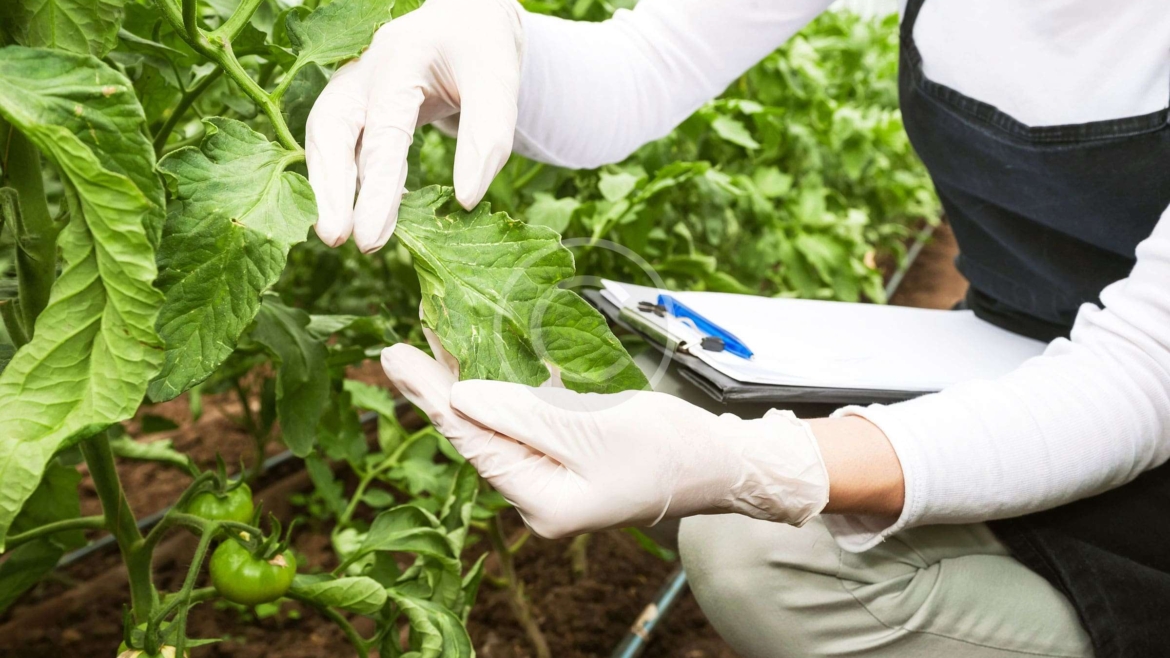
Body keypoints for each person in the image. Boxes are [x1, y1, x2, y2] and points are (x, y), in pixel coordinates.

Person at [304, 0, 1170, 655]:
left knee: (754, 546)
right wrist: (494, 46)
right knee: (609, 383)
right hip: (1008, 351)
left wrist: (762, 465)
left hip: (1139, 414)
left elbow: (1140, 378)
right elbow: (648, 62)